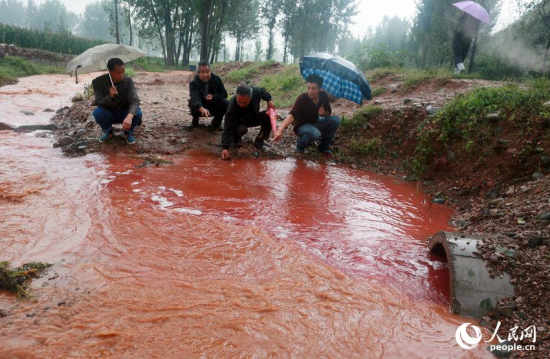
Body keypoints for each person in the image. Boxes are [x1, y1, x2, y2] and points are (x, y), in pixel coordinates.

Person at [273, 74, 340, 154]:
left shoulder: (323, 96)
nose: (310, 91)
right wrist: (280, 129)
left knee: (335, 120)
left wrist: (323, 113)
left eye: (313, 89)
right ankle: (300, 146)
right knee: (315, 133)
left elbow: (328, 112)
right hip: (301, 126)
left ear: (320, 88)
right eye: (308, 88)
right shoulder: (302, 98)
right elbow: (291, 115)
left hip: (316, 123)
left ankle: (324, 146)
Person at [92, 57, 142, 144]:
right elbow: (98, 102)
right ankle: (109, 132)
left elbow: (135, 100)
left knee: (138, 113)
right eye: (118, 73)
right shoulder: (98, 82)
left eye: (123, 71)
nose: (122, 75)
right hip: (109, 112)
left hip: (124, 111)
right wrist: (110, 96)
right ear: (110, 71)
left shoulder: (128, 81)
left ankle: (127, 133)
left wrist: (129, 116)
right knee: (97, 113)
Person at [221, 85, 275, 160]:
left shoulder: (255, 92)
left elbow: (262, 91)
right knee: (241, 129)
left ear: (250, 98)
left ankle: (260, 140)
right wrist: (225, 148)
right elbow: (227, 128)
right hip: (240, 123)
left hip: (253, 117)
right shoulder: (231, 108)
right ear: (236, 97)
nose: (241, 105)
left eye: (245, 103)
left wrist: (269, 100)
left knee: (269, 115)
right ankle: (236, 139)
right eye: (239, 102)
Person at [189, 60, 228, 129]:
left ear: (210, 71)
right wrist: (201, 108)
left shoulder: (217, 79)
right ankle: (195, 121)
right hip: (200, 105)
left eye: (207, 72)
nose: (205, 75)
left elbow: (224, 94)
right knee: (192, 102)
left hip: (213, 104)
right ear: (198, 73)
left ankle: (216, 122)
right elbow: (195, 98)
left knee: (225, 102)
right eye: (202, 72)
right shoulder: (194, 83)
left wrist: (213, 96)